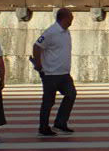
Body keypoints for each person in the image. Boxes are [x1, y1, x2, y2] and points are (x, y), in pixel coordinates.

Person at [32, 8, 76, 137]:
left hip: (64, 73)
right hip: (50, 73)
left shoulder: (66, 32)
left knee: (71, 94)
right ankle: (43, 127)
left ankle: (60, 123)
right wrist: (38, 64)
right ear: (64, 18)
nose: (72, 20)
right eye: (70, 18)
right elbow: (37, 46)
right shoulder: (51, 32)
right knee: (48, 101)